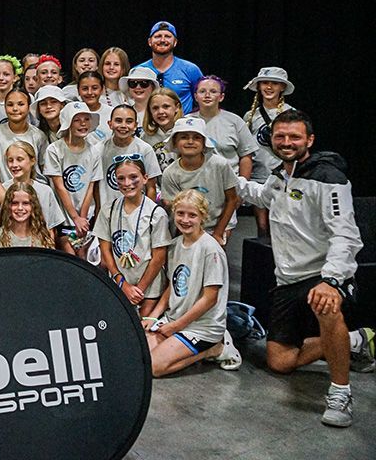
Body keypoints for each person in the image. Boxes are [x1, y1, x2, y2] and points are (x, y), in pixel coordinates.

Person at [234, 109, 370, 428]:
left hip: (321, 276)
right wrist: (229, 178)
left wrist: (332, 280)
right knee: (280, 363)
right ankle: (354, 340)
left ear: (309, 139)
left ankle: (340, 393)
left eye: (294, 136)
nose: (286, 142)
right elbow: (262, 196)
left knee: (326, 307)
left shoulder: (328, 177)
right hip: (287, 280)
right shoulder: (280, 174)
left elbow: (346, 234)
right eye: (280, 136)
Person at [141, 189, 234, 377]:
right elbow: (172, 287)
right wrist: (153, 317)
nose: (185, 220)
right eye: (180, 214)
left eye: (192, 215)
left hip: (201, 326)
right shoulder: (174, 245)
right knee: (137, 356)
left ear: (202, 217)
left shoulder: (210, 249)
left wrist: (176, 327)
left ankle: (214, 349)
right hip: (174, 318)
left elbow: (210, 299)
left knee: (153, 368)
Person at [93, 156, 170, 316]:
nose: (127, 183)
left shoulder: (156, 213)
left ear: (145, 178)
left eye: (133, 177)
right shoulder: (109, 210)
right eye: (121, 178)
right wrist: (121, 282)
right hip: (120, 284)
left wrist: (139, 289)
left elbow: (159, 257)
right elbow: (105, 250)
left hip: (149, 288)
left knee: (142, 331)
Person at [159, 117, 239, 246]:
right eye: (184, 137)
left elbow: (232, 199)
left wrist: (218, 233)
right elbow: (175, 209)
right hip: (185, 230)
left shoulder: (220, 165)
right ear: (175, 142)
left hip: (217, 226)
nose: (190, 141)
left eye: (196, 137)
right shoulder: (170, 173)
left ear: (204, 142)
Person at [43, 101, 102, 257]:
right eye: (77, 120)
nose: (83, 124)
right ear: (68, 123)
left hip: (85, 217)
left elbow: (91, 186)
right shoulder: (54, 150)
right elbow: (59, 186)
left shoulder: (94, 151)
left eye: (86, 119)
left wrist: (82, 219)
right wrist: (74, 218)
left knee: (85, 258)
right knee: (70, 257)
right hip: (63, 217)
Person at [242, 67, 295, 237]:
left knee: (281, 225)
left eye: (275, 83)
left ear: (282, 88)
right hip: (259, 176)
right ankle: (264, 263)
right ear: (258, 86)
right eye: (265, 83)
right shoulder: (250, 116)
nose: (269, 87)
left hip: (283, 177)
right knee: (262, 227)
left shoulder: (291, 114)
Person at [193, 75, 258, 178]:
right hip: (195, 183)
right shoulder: (187, 121)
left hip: (229, 184)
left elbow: (246, 156)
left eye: (213, 91)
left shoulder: (235, 121)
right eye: (202, 91)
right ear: (196, 97)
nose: (207, 95)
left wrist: (241, 187)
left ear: (221, 97)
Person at [98, 104, 161, 207]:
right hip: (108, 210)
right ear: (110, 124)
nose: (123, 125)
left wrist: (147, 214)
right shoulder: (99, 149)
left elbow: (151, 187)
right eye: (118, 121)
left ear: (135, 125)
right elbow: (96, 186)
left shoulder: (145, 149)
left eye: (129, 121)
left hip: (137, 209)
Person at [1, 141, 65, 240]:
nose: (14, 164)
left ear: (32, 160)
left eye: (19, 159)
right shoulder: (1, 190)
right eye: (10, 160)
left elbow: (51, 229)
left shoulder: (45, 191)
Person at [135, 21, 203, 113]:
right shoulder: (139, 71)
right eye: (158, 36)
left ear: (175, 42)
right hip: (148, 125)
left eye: (167, 36)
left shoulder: (190, 70)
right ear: (149, 42)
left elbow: (202, 100)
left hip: (183, 125)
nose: (162, 40)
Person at [0, 88, 47, 184]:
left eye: (21, 104)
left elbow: (44, 168)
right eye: (10, 105)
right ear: (4, 107)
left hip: (34, 190)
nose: (15, 109)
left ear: (29, 107)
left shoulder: (38, 135)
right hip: (7, 191)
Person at [0, 182, 56, 249]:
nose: (20, 208)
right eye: (15, 203)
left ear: (34, 206)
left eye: (25, 203)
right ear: (7, 205)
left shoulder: (44, 238)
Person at [142, 88, 183, 171]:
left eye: (166, 106)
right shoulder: (145, 137)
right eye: (155, 108)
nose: (160, 111)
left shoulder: (186, 132)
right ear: (150, 111)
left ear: (177, 107)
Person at [75, 71, 111, 143]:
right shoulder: (72, 112)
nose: (90, 92)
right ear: (78, 90)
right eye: (85, 88)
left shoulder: (112, 113)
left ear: (102, 89)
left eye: (94, 88)